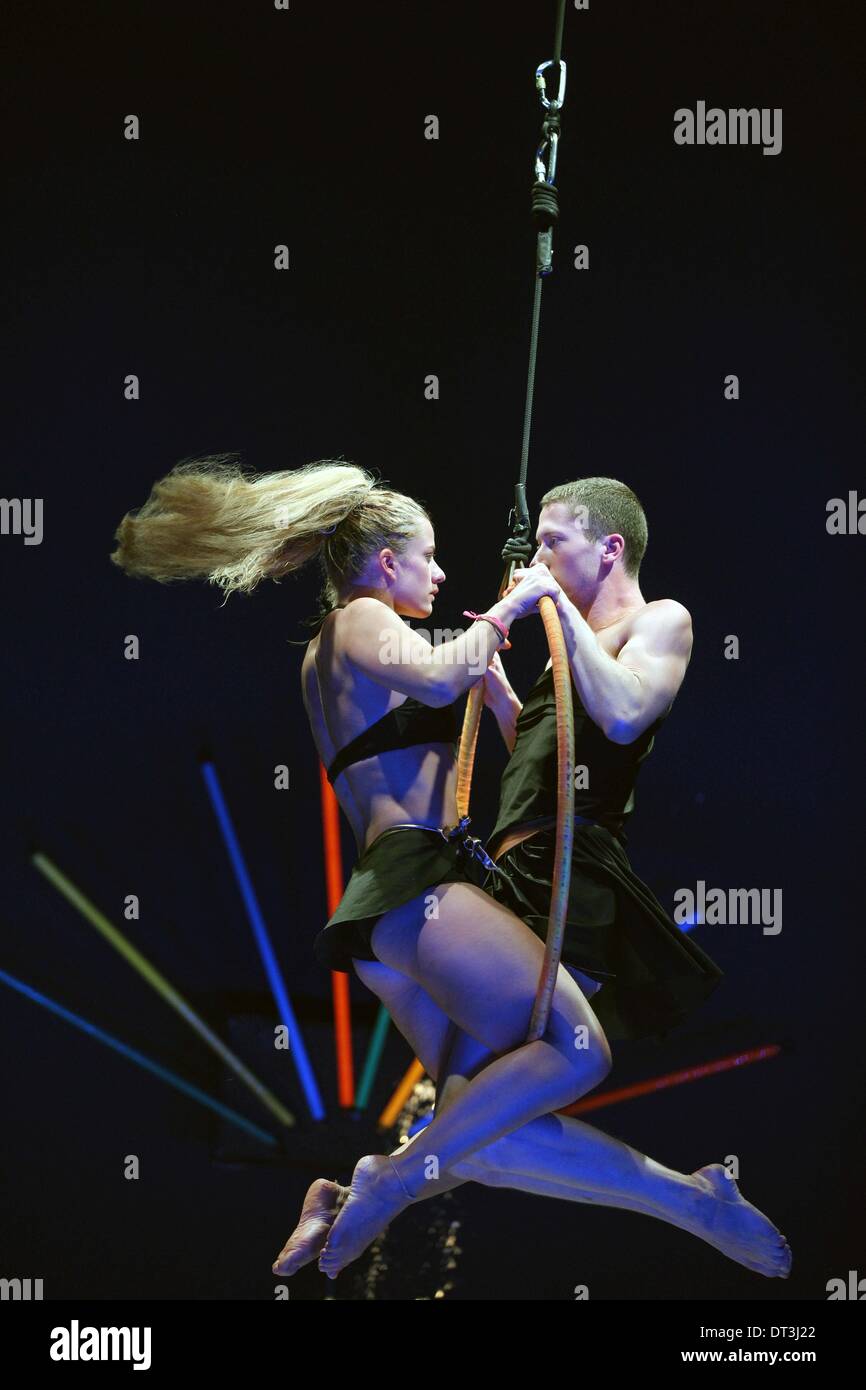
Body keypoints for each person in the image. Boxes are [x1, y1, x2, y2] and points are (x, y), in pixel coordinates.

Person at [110, 454, 790, 1284]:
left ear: (610, 548)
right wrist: (511, 610)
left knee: (482, 1131)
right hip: (422, 887)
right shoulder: (361, 620)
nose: (444, 572)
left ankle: (687, 1201)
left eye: (552, 546)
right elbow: (442, 670)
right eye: (428, 557)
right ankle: (386, 1180)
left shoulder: (640, 626)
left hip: (395, 911)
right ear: (387, 562)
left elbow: (575, 729)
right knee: (578, 1054)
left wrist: (502, 681)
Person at [480, 477, 725, 1046]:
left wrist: (557, 605)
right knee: (490, 1052)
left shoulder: (660, 620)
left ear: (610, 549)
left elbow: (623, 715)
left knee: (521, 1052)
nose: (537, 559)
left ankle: (431, 1140)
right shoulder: (571, 644)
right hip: (513, 858)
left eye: (553, 542)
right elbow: (548, 760)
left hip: (568, 862)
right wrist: (503, 703)